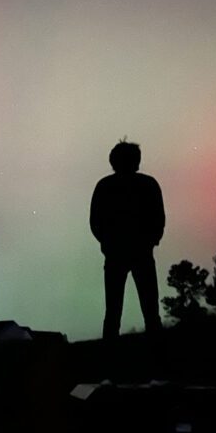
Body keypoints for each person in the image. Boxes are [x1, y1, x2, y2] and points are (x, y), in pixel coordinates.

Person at [89, 140, 165, 341]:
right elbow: (159, 218)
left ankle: (110, 357)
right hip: (137, 253)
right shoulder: (148, 184)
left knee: (114, 311)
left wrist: (107, 244)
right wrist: (150, 241)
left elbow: (95, 222)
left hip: (119, 253)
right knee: (149, 310)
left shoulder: (105, 186)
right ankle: (156, 354)